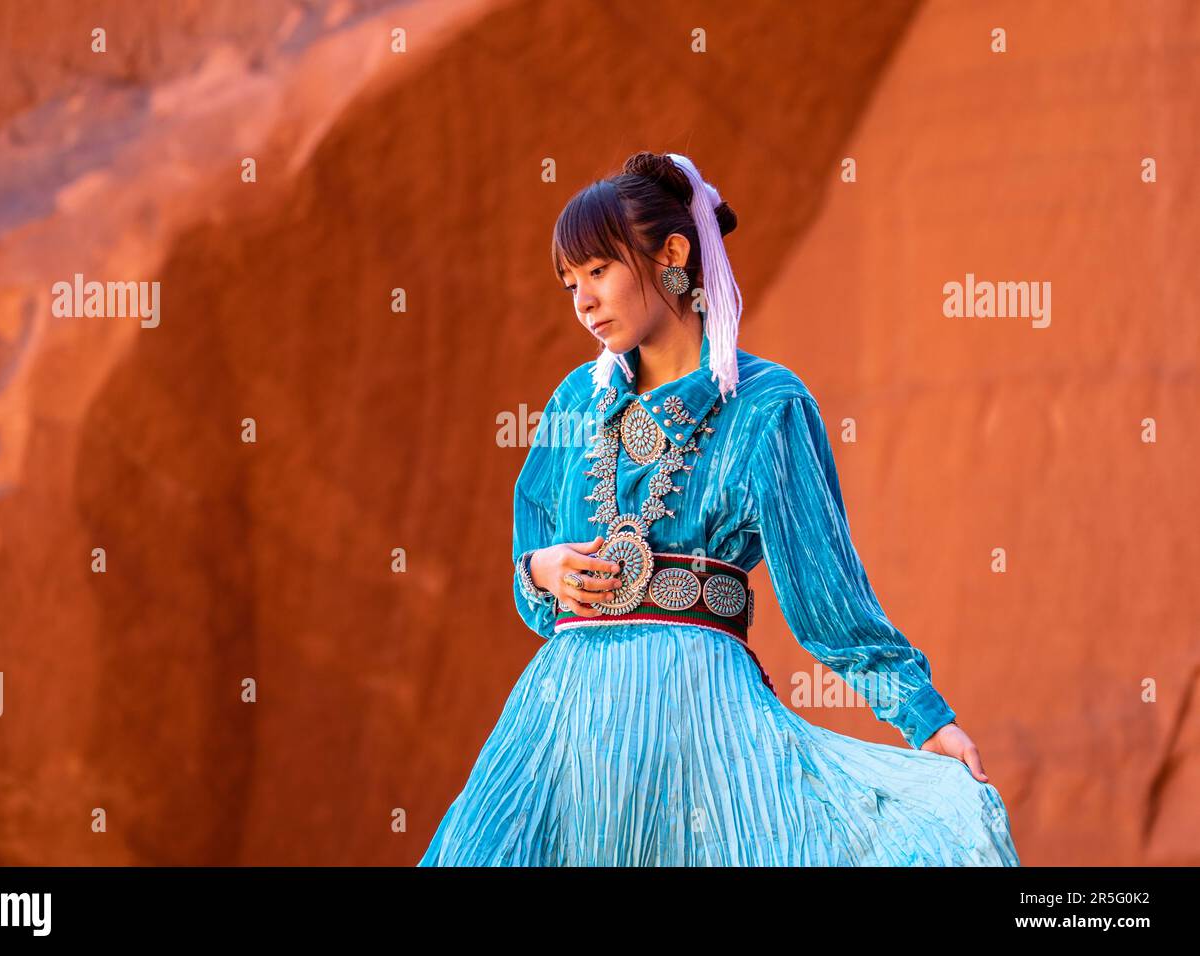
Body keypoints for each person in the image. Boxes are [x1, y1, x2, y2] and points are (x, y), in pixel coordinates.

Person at [418, 151, 1021, 866]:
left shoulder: (768, 406)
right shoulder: (575, 404)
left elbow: (831, 604)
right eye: (569, 281)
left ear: (672, 254)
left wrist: (927, 723)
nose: (581, 299)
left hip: (702, 727)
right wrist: (543, 569)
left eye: (599, 270)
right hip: (565, 731)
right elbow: (532, 584)